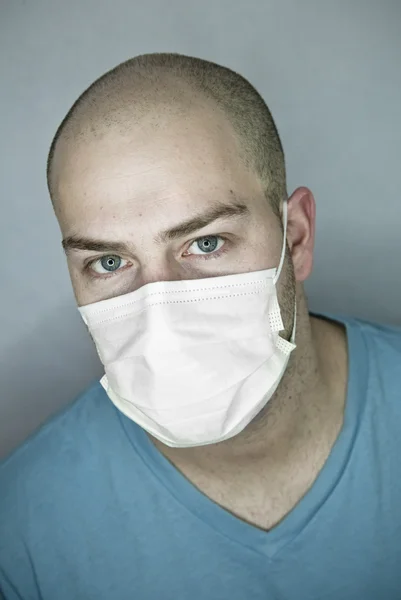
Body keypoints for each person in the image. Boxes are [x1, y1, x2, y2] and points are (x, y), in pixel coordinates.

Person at [0, 53, 400, 600]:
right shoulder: (21, 530)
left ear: (297, 238)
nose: (160, 311)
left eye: (206, 243)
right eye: (109, 263)